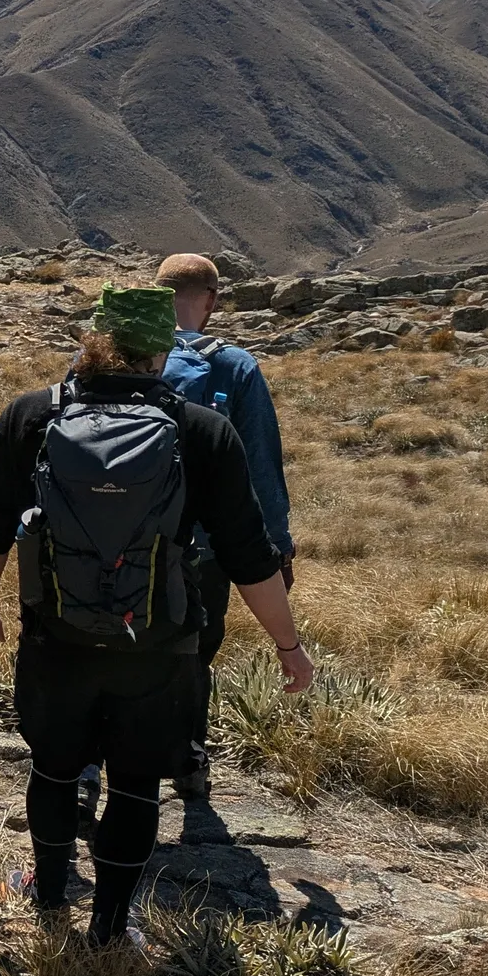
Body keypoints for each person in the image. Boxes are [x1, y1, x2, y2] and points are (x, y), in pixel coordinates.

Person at [0, 284, 312, 947]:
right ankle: (112, 929)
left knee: (55, 768)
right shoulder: (202, 430)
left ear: (89, 342)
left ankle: (48, 899)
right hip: (157, 646)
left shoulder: (30, 416)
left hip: (55, 636)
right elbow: (248, 556)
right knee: (132, 785)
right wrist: (288, 646)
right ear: (162, 351)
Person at [156, 253, 295, 802]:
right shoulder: (234, 366)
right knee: (194, 648)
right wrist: (276, 547)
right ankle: (188, 758)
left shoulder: (108, 355)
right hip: (203, 547)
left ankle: (90, 770)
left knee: (108, 646)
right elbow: (260, 466)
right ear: (210, 301)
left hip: (111, 538)